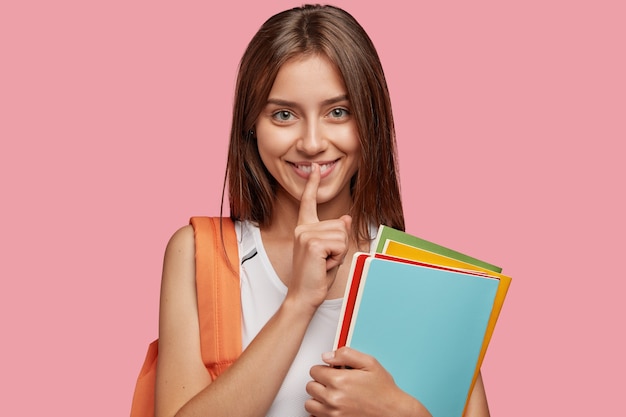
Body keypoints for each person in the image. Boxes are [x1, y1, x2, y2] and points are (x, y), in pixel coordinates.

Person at [154, 4, 490, 417]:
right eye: (283, 114)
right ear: (251, 126)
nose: (312, 142)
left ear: (371, 120)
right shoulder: (200, 254)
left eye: (338, 112)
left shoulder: (428, 279)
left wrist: (401, 412)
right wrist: (298, 302)